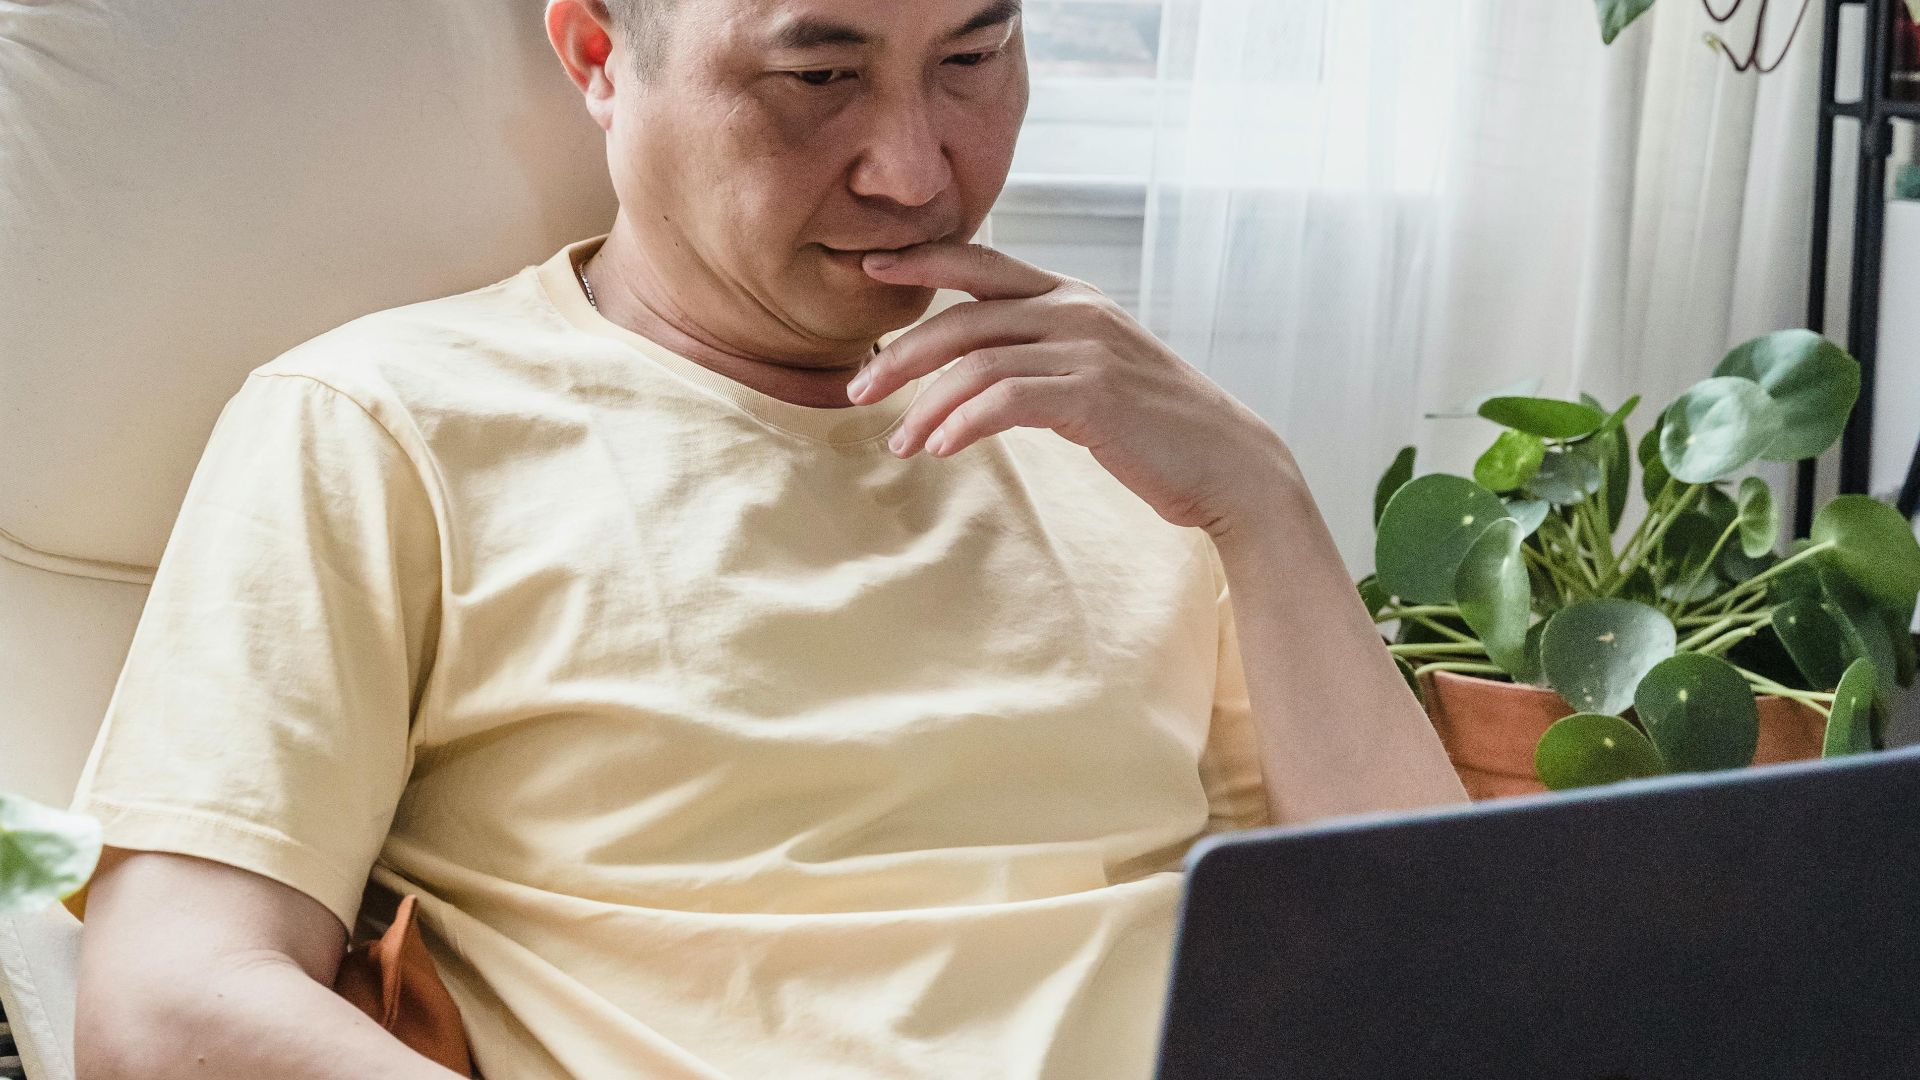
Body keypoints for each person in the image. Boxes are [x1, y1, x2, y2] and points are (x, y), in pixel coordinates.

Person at [69, 1, 1471, 1077]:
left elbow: (1433, 958)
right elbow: (170, 998)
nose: (917, 171)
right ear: (599, 53)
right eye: (819, 77)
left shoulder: (1133, 442)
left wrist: (1261, 502)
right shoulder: (386, 426)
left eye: (975, 61)